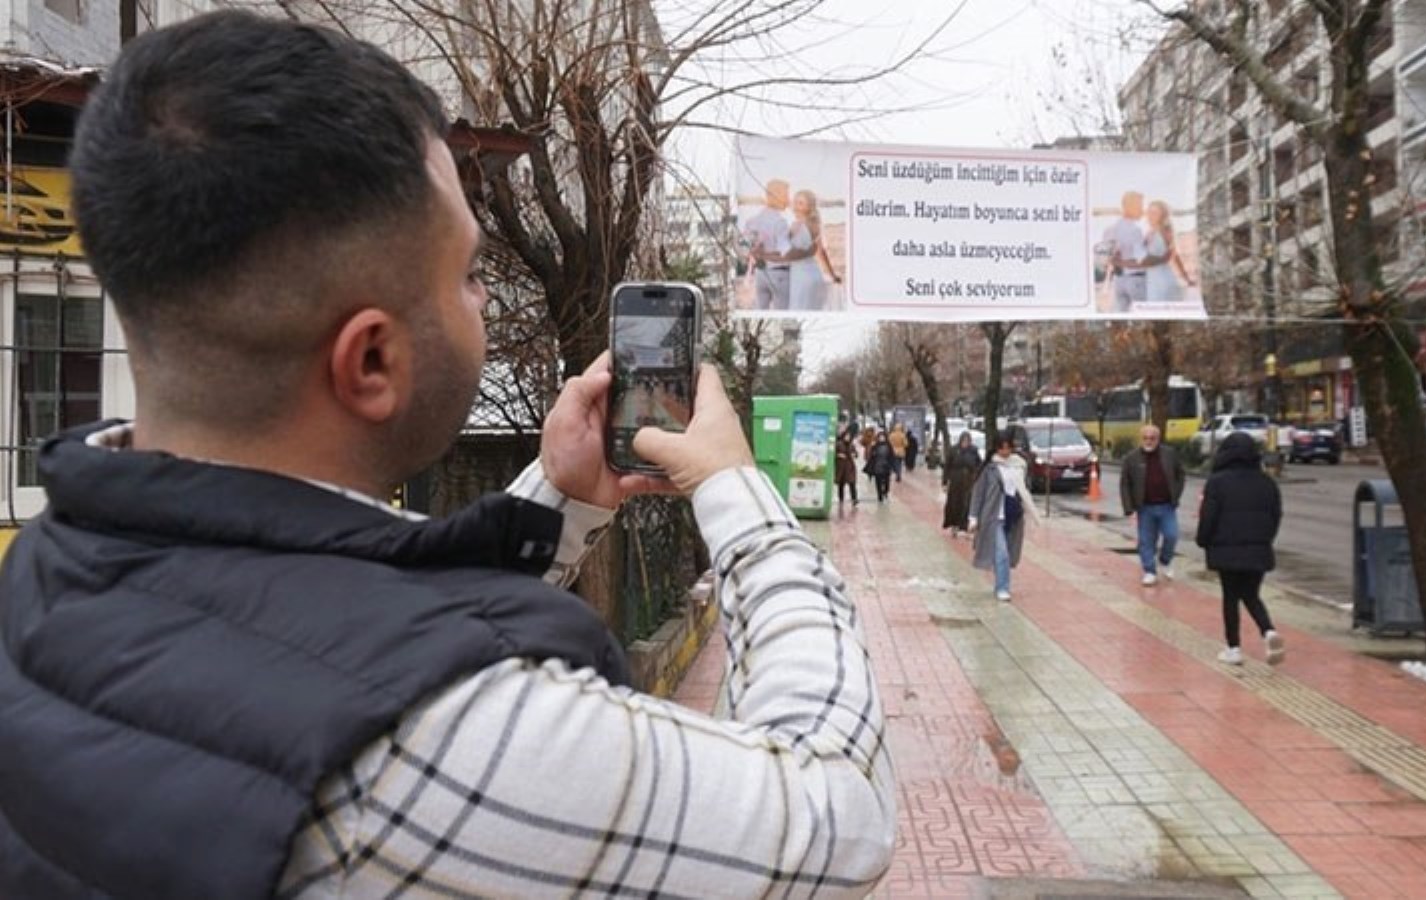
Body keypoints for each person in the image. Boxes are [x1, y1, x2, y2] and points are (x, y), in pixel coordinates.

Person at [0, 12, 894, 898]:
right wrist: (738, 496)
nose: (482, 299)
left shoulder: (52, 565)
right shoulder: (446, 738)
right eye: (470, 273)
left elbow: (331, 619)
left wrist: (558, 499)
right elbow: (837, 813)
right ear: (374, 360)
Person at [1196, 432, 1287, 666]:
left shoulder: (1217, 482)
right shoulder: (1267, 483)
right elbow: (1275, 515)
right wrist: (1265, 539)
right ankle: (1268, 631)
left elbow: (1208, 516)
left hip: (1226, 549)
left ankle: (1233, 648)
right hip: (1258, 548)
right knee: (1250, 593)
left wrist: (1203, 540)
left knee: (1231, 597)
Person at [968, 428, 1040, 601]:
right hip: (993, 517)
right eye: (1001, 448)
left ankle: (999, 581)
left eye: (1008, 448)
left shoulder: (1019, 465)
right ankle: (1002, 588)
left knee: (1007, 552)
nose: (1005, 452)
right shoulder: (990, 469)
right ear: (996, 448)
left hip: (1012, 516)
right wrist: (973, 517)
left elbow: (1025, 490)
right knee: (1002, 553)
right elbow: (978, 493)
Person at [1120, 424, 1186, 586]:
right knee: (1146, 540)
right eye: (1145, 438)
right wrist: (1129, 507)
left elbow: (1181, 474)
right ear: (1141, 438)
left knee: (1172, 535)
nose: (1149, 441)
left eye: (1152, 438)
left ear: (1158, 439)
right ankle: (1149, 570)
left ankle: (1165, 559)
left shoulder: (1169, 455)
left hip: (1166, 506)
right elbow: (1125, 484)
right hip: (1145, 507)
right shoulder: (1131, 458)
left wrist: (1175, 495)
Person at [786, 188, 841, 311]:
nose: (795, 206)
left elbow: (785, 251)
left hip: (800, 276)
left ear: (809, 207)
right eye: (795, 202)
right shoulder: (814, 224)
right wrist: (832, 275)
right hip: (813, 273)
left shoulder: (797, 226)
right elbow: (821, 253)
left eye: (800, 203)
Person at [742, 178, 792, 311]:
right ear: (776, 196)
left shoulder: (751, 221)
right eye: (786, 195)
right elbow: (785, 254)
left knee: (760, 312)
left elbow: (745, 249)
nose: (788, 199)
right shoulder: (780, 222)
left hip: (760, 275)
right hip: (779, 275)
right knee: (783, 313)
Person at [1142, 200, 1195, 303]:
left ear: (1162, 215)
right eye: (1149, 212)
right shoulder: (1149, 233)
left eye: (1155, 213)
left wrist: (1186, 279)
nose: (1150, 215)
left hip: (1163, 280)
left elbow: (1174, 256)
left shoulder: (1165, 231)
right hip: (1150, 280)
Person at [1104, 191, 1149, 312]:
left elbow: (1107, 258)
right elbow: (1141, 259)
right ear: (1129, 207)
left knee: (1120, 315)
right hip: (1136, 280)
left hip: (1118, 281)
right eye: (1139, 206)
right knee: (1145, 314)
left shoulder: (1109, 230)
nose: (1142, 210)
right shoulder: (1136, 230)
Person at [941, 432, 980, 536]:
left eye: (967, 441)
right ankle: (954, 525)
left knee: (967, 503)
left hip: (969, 482)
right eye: (964, 441)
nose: (965, 443)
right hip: (955, 481)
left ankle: (965, 526)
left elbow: (979, 464)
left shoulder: (973, 450)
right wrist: (945, 482)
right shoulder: (954, 450)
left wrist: (976, 475)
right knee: (954, 504)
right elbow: (947, 466)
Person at [835, 424, 859, 509]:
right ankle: (841, 499)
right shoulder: (839, 444)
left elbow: (856, 454)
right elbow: (834, 454)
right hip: (841, 467)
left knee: (852, 483)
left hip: (850, 467)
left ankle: (854, 499)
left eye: (849, 436)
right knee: (841, 484)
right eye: (846, 436)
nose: (847, 438)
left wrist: (854, 454)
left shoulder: (851, 445)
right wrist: (838, 455)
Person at [866, 432, 895, 502]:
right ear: (878, 438)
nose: (881, 438)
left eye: (883, 437)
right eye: (880, 437)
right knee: (878, 482)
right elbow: (871, 455)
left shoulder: (889, 445)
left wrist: (891, 465)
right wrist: (872, 448)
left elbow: (892, 456)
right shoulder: (875, 445)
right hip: (877, 466)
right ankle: (879, 495)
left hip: (886, 466)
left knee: (887, 482)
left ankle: (885, 491)